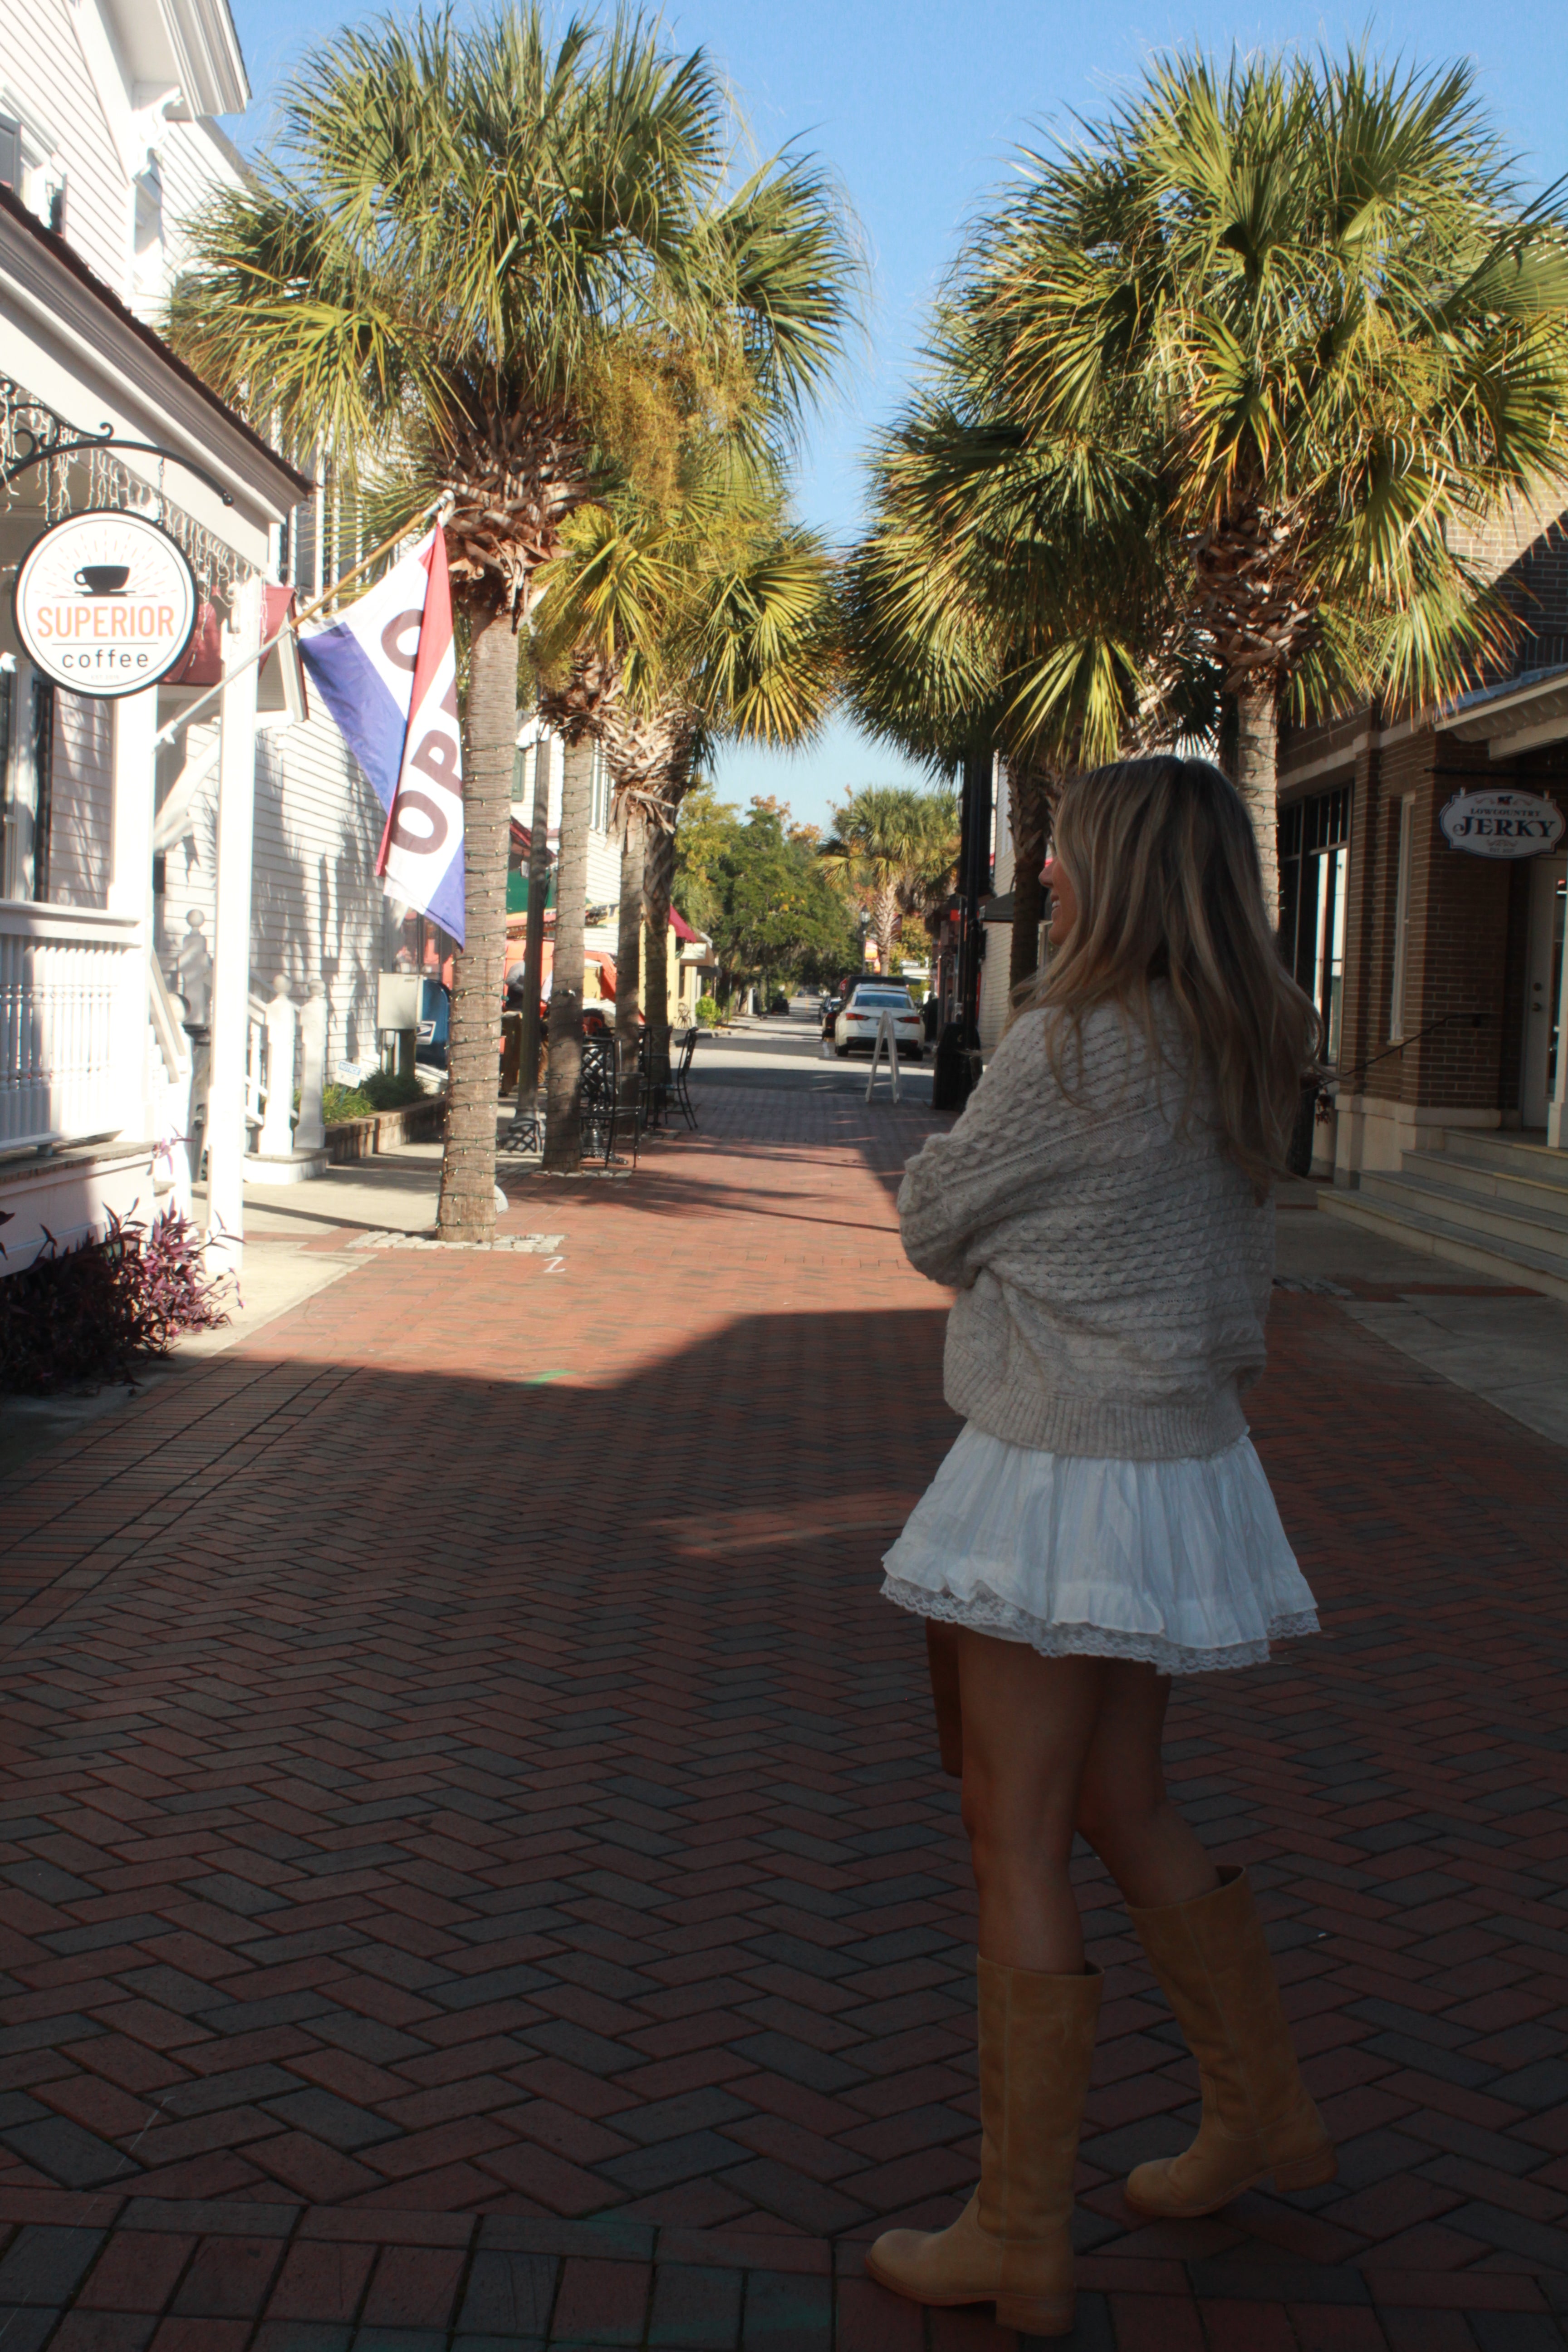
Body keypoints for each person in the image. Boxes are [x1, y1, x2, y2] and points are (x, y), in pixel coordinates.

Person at [865, 757, 1332, 2340]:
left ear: (1118, 874)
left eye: (1060, 857)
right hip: (1178, 1465)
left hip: (1061, 1469)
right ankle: (1259, 2112)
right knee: (1128, 1800)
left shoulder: (1073, 1048)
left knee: (1020, 1832)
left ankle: (1018, 2233)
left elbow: (934, 1218)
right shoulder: (1241, 1042)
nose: (1044, 875)